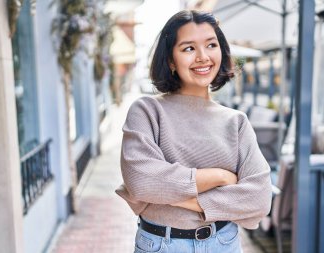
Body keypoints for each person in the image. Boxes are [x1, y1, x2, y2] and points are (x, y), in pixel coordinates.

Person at [116, 10, 272, 253]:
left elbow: (258, 199)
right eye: (188, 48)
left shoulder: (236, 122)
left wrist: (172, 196)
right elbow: (141, 180)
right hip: (162, 245)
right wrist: (221, 177)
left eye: (211, 45)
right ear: (170, 60)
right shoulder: (147, 110)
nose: (202, 57)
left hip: (224, 243)